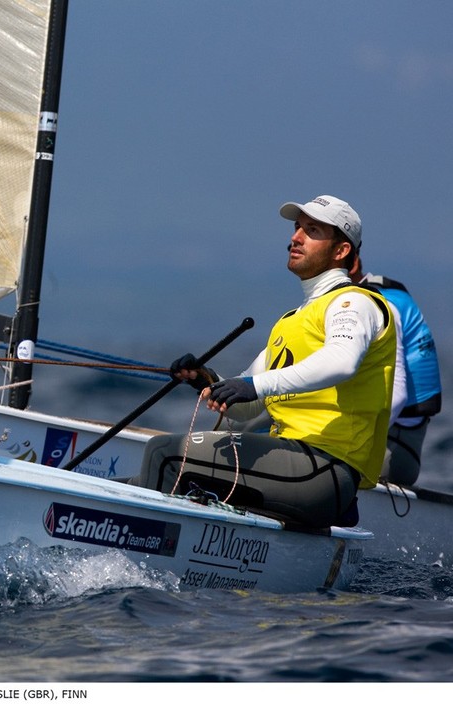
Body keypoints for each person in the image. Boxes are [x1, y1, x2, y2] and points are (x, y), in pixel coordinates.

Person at [131, 195, 396, 529]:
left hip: (327, 470)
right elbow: (247, 407)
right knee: (133, 483)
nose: (295, 238)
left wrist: (254, 385)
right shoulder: (292, 321)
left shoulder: (353, 303)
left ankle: (144, 570)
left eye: (312, 230)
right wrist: (205, 380)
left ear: (341, 251)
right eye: (297, 227)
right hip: (295, 466)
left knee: (164, 454)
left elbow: (342, 362)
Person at [350, 256, 442, 486]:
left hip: (397, 447)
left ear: (351, 264)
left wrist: (348, 441)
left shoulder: (382, 305)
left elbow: (396, 396)